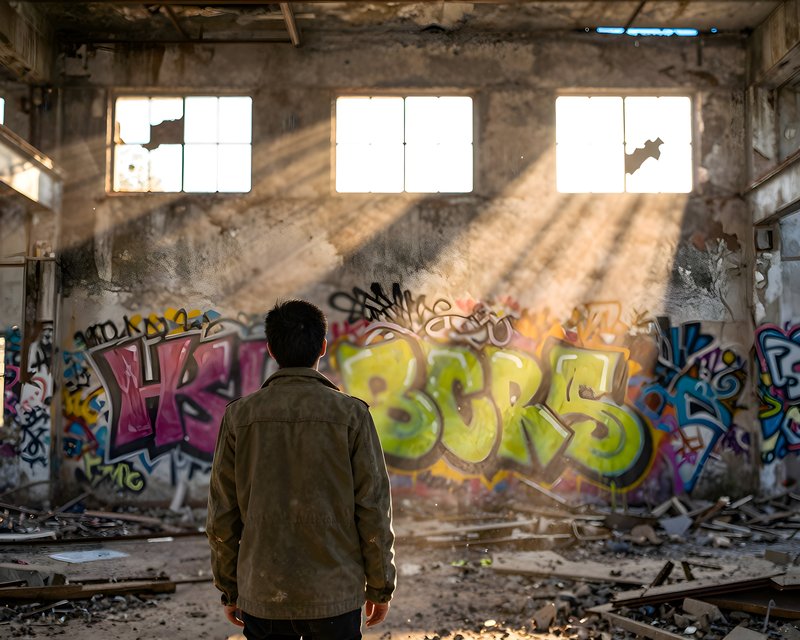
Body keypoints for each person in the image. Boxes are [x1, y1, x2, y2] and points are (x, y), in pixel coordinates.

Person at [207, 299, 396, 640]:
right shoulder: (352, 415)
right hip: (334, 597)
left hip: (263, 592)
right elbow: (374, 509)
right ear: (323, 346)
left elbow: (222, 514)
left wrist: (231, 590)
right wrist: (381, 586)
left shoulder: (239, 417)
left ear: (270, 349)